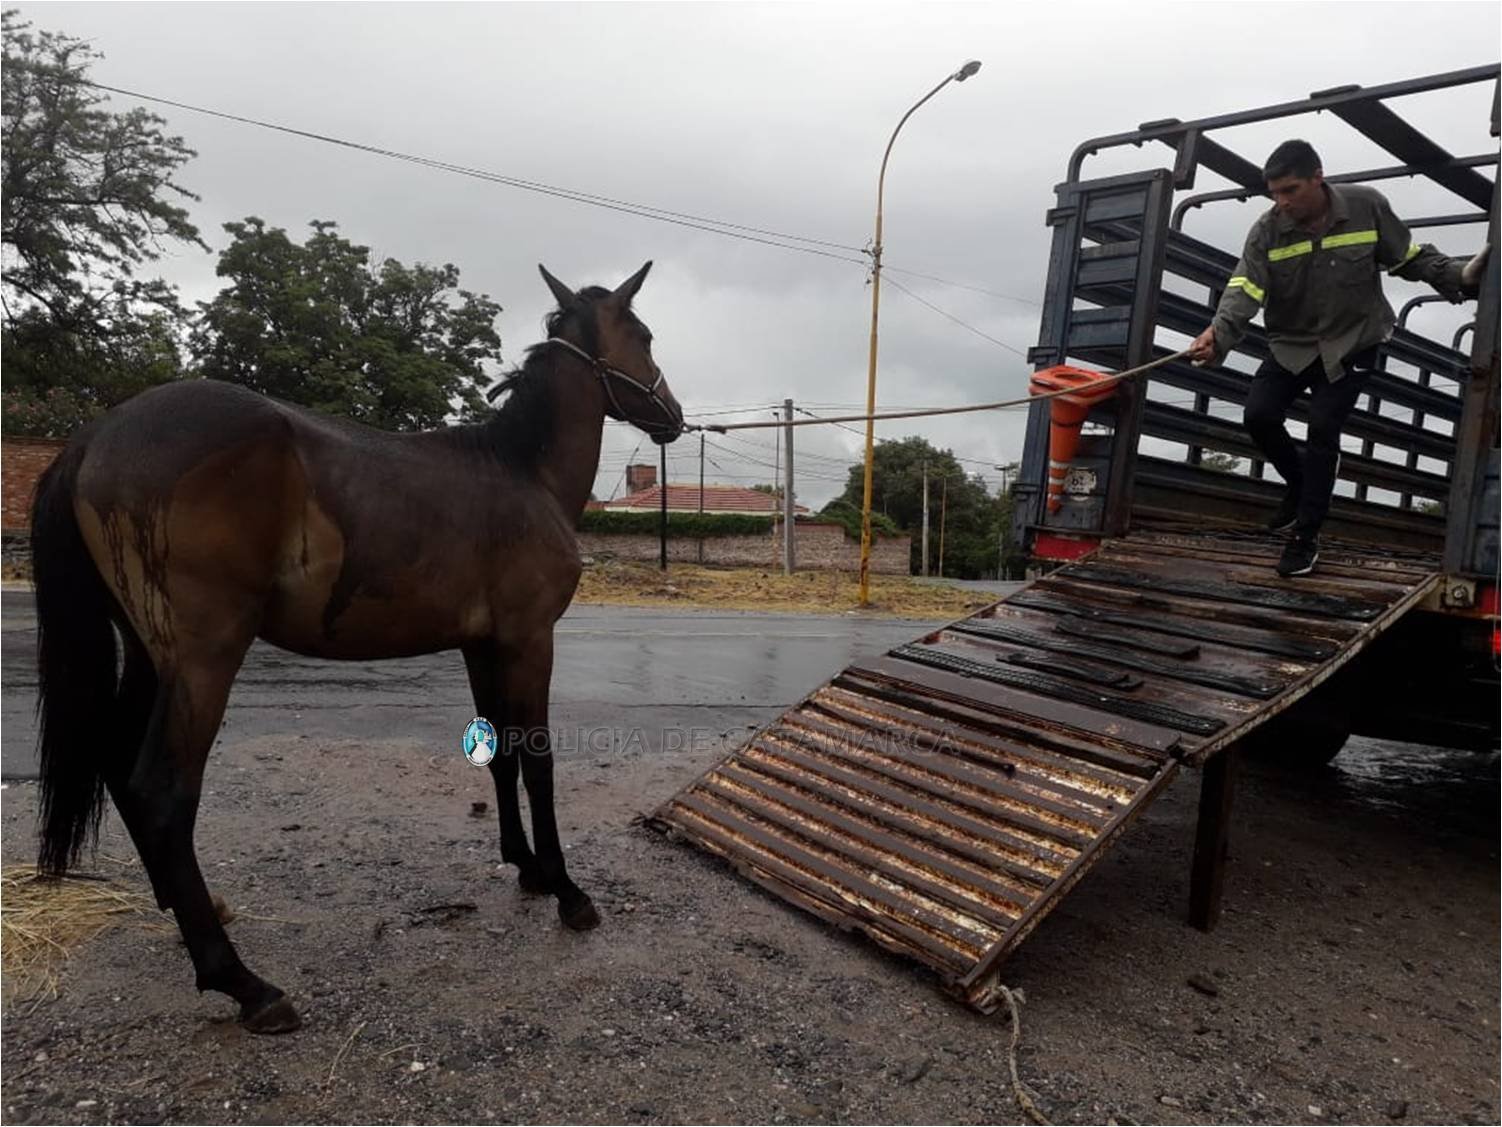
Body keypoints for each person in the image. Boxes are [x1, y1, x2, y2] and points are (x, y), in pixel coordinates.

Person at [1188, 139, 1488, 578]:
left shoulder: (1366, 206)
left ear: (1317, 178)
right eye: (1274, 193)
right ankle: (1299, 486)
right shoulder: (1266, 230)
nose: (1282, 202)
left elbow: (1406, 258)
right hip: (1291, 343)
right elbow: (1245, 289)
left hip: (1354, 341)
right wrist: (1218, 335)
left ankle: (1304, 536)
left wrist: (1459, 276)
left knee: (1323, 428)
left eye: (1290, 190)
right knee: (1258, 415)